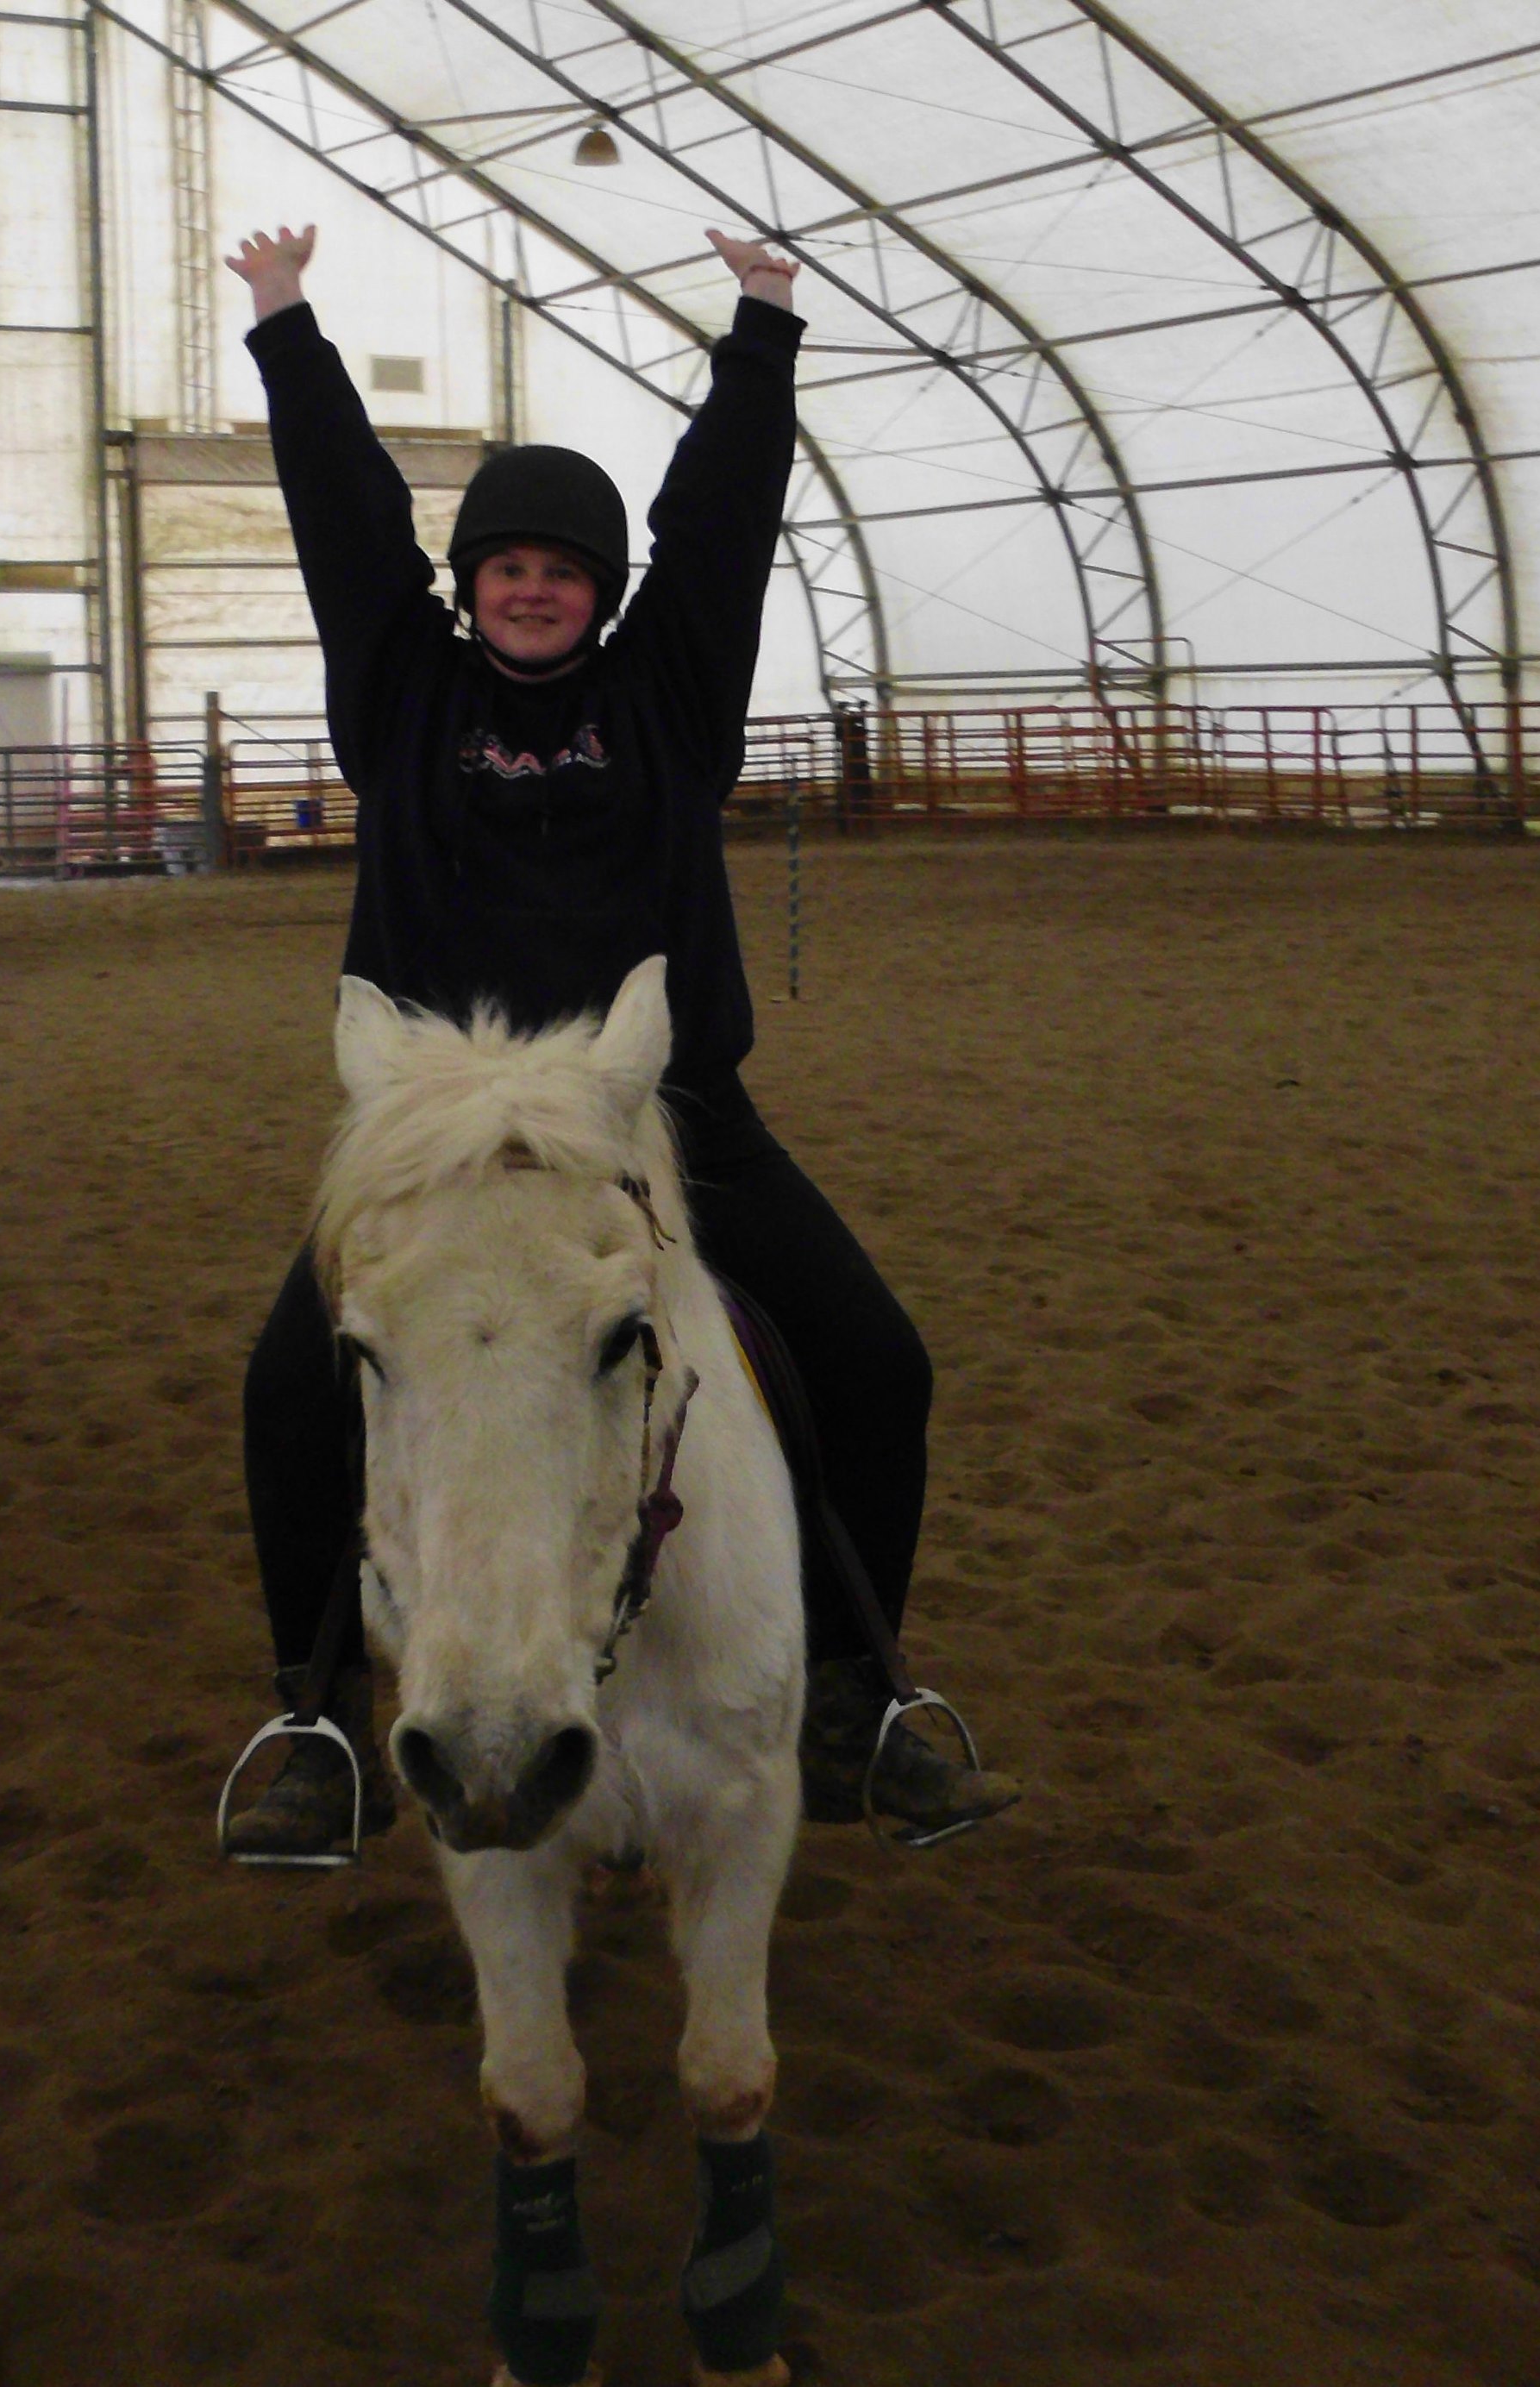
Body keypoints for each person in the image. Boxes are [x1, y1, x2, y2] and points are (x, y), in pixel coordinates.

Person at [221, 219, 1017, 1858]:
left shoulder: (669, 698)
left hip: (674, 1112)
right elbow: (342, 519)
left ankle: (855, 1698)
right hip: (445, 1135)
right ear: (469, 586)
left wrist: (763, 327)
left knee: (877, 1362)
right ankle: (316, 1718)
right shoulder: (401, 697)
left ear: (601, 590)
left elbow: (721, 526)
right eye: (506, 565)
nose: (532, 587)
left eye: (563, 568)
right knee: (291, 1392)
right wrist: (285, 326)